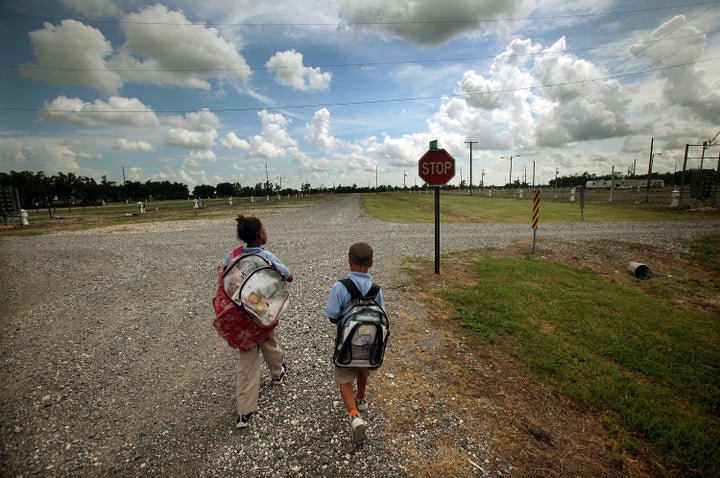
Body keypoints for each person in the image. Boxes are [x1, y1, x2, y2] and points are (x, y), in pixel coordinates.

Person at [223, 214, 294, 429]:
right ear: (259, 235)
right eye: (264, 229)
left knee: (248, 356)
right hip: (261, 311)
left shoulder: (232, 255)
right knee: (267, 338)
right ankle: (277, 372)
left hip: (240, 313)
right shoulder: (266, 256)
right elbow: (287, 275)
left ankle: (245, 411)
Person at [325, 242, 385, 444]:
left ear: (349, 262)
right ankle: (361, 398)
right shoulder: (377, 289)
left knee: (344, 377)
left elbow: (333, 316)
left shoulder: (340, 287)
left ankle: (354, 415)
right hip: (369, 345)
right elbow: (382, 315)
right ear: (372, 263)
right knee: (363, 369)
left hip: (346, 344)